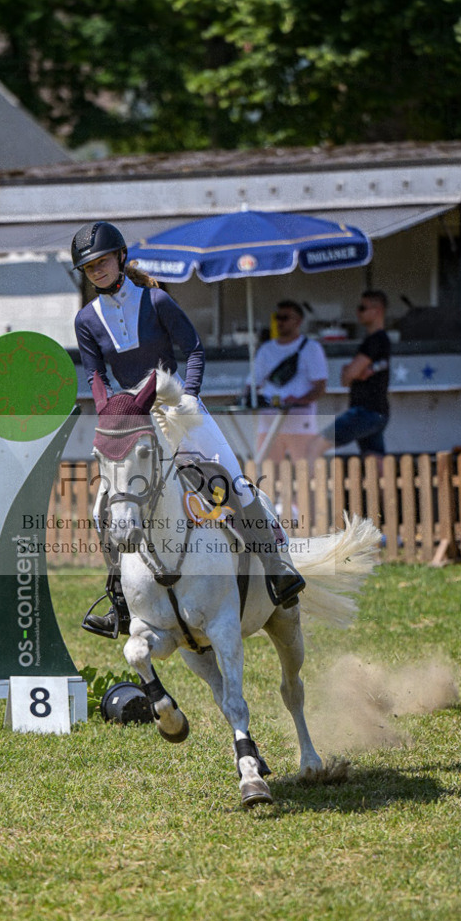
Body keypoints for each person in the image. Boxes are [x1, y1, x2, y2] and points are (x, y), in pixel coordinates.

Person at [71, 220, 305, 637]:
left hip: (176, 407)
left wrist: (190, 396)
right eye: (90, 268)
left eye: (103, 262)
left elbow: (193, 349)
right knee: (103, 508)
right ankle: (120, 601)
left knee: (234, 480)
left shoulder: (156, 300)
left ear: (121, 257)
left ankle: (276, 569)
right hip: (130, 419)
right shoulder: (87, 319)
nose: (97, 271)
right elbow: (95, 375)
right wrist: (110, 410)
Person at [245, 300, 327, 465]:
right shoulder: (266, 349)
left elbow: (320, 387)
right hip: (268, 423)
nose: (280, 322)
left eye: (285, 317)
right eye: (277, 317)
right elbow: (252, 384)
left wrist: (299, 401)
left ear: (298, 321)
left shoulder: (312, 348)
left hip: (300, 422)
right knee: (268, 475)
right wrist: (247, 399)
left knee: (306, 474)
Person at [314, 290, 391, 458]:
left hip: (364, 411)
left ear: (377, 310)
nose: (358, 312)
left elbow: (348, 375)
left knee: (315, 446)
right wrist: (353, 372)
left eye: (362, 308)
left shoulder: (375, 340)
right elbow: (348, 377)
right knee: (375, 461)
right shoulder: (380, 340)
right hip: (378, 412)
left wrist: (352, 371)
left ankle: (312, 483)